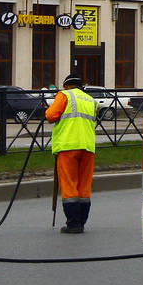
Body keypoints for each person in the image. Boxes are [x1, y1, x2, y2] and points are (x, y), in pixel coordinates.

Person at [45, 72, 97, 233]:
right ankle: (81, 221)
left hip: (68, 145)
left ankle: (73, 223)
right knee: (84, 185)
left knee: (69, 184)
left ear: (67, 85)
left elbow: (50, 115)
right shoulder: (91, 100)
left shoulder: (64, 95)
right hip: (88, 146)